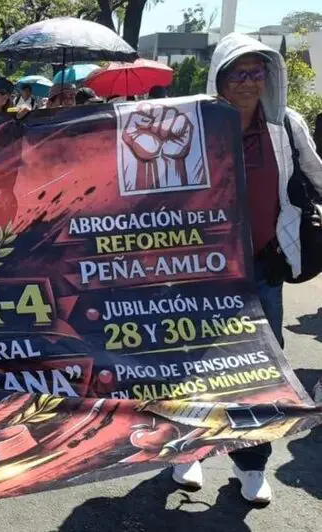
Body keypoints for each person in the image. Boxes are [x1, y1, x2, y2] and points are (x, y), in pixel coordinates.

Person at [170, 32, 322, 505]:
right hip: (199, 270)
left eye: (257, 72)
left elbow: (316, 175)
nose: (248, 82)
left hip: (261, 267)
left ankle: (251, 465)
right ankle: (187, 451)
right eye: (238, 72)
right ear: (219, 75)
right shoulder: (188, 121)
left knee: (260, 368)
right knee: (189, 363)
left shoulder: (285, 124)